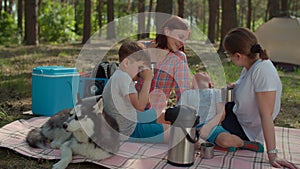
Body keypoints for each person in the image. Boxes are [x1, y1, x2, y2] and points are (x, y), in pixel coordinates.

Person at [222, 27, 298, 169]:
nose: (229, 58)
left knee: (205, 123)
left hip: (248, 130)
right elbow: (245, 86)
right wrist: (233, 86)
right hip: (238, 115)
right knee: (208, 108)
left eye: (229, 54)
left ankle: (245, 143)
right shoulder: (250, 65)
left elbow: (266, 115)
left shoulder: (263, 71)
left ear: (238, 55)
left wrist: (272, 154)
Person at [102, 41, 169, 143]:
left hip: (129, 122)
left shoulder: (119, 75)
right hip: (128, 132)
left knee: (162, 115)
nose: (141, 72)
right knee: (173, 132)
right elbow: (140, 107)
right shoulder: (123, 78)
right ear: (126, 63)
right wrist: (147, 80)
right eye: (140, 67)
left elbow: (143, 103)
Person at [180, 71, 264, 152]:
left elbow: (221, 114)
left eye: (204, 73)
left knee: (226, 140)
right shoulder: (187, 94)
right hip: (192, 128)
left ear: (211, 84)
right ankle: (210, 145)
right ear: (192, 86)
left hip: (213, 127)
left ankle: (244, 144)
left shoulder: (217, 93)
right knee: (177, 137)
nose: (200, 72)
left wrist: (208, 126)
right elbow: (179, 113)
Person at [136, 15, 191, 122]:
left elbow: (183, 92)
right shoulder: (141, 48)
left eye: (185, 39)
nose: (182, 43)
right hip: (130, 110)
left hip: (155, 115)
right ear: (167, 31)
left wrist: (181, 116)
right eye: (180, 36)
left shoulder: (178, 58)